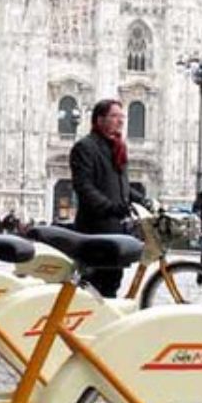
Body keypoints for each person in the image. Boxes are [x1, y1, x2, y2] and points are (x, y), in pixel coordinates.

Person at [70, 99, 135, 297]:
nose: (120, 121)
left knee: (113, 282)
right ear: (100, 120)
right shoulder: (85, 147)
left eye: (121, 117)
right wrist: (110, 207)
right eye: (114, 116)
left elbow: (124, 187)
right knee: (94, 285)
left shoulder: (117, 147)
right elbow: (84, 187)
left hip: (116, 228)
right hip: (95, 228)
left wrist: (144, 201)